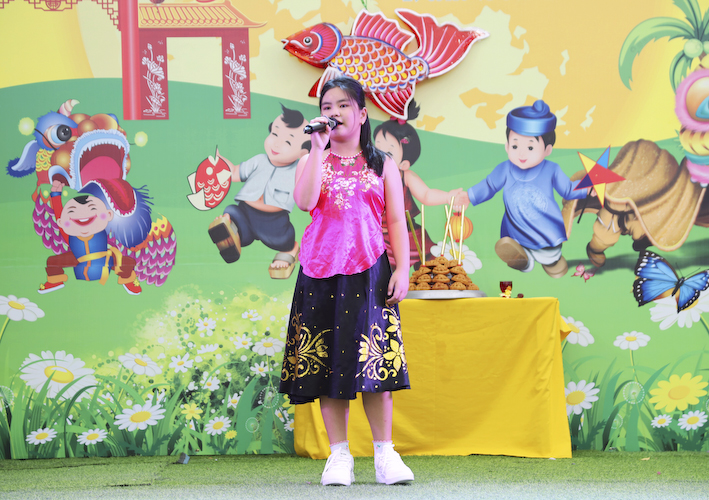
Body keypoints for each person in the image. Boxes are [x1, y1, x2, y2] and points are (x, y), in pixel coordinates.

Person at [279, 76, 414, 486]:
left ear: (362, 114)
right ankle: (338, 456)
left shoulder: (382, 164)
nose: (334, 112)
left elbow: (395, 220)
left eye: (342, 105)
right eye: (327, 106)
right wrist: (316, 149)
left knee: (376, 364)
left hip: (370, 271)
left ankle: (385, 454)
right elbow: (304, 202)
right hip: (320, 272)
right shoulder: (311, 159)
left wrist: (403, 269)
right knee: (327, 365)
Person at [456, 100, 588, 278]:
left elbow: (568, 190)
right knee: (514, 248)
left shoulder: (552, 169)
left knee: (549, 256)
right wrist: (470, 196)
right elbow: (489, 185)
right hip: (516, 232)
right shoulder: (505, 169)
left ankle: (551, 260)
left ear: (547, 149)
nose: (521, 153)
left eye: (531, 147)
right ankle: (524, 261)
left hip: (545, 231)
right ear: (507, 146)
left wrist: (588, 188)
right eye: (515, 145)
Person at [208, 104, 311, 279]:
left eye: (287, 142)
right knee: (231, 211)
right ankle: (233, 235)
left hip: (273, 221)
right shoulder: (259, 160)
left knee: (283, 238)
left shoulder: (298, 169)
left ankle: (290, 249)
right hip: (245, 212)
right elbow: (235, 172)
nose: (277, 143)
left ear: (303, 153)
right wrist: (222, 165)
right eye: (275, 134)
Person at [373, 102, 464, 270]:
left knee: (428, 266)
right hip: (380, 237)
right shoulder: (369, 177)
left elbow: (426, 195)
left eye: (389, 153)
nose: (381, 156)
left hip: (408, 233)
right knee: (383, 272)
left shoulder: (405, 176)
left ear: (404, 164)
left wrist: (447, 196)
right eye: (377, 149)